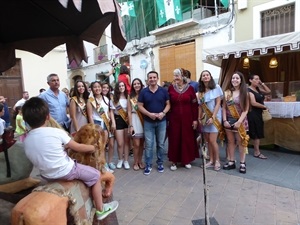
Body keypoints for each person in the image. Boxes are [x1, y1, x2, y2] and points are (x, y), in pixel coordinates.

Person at [21, 97, 118, 220]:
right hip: (66, 171)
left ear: (26, 120)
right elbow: (77, 147)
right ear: (47, 116)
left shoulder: (26, 139)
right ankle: (100, 209)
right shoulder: (56, 132)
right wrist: (92, 148)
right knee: (96, 176)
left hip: (46, 175)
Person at [138, 71, 171, 175]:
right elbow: (139, 106)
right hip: (148, 122)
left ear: (157, 78)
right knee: (149, 145)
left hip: (161, 121)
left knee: (161, 144)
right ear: (148, 79)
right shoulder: (144, 92)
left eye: (154, 77)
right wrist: (149, 114)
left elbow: (168, 105)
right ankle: (148, 164)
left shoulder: (163, 91)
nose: (152, 79)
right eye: (150, 77)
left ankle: (160, 163)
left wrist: (163, 113)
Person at [167, 68, 199, 171]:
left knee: (187, 138)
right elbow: (168, 103)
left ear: (182, 76)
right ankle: (173, 161)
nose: (175, 78)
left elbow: (194, 105)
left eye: (177, 75)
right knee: (174, 138)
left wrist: (195, 120)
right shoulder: (171, 88)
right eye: (174, 75)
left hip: (188, 118)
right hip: (174, 119)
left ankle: (186, 160)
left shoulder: (190, 89)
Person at [222, 71, 250, 173]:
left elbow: (246, 110)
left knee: (241, 142)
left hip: (240, 121)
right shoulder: (227, 93)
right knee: (230, 142)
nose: (235, 80)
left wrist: (239, 122)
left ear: (241, 80)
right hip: (228, 121)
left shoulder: (245, 93)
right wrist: (224, 120)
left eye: (237, 78)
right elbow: (224, 108)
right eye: (233, 78)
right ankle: (231, 161)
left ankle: (242, 162)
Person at [197, 70, 224, 171]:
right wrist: (199, 118)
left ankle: (217, 160)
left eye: (207, 75)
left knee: (213, 141)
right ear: (201, 78)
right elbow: (200, 106)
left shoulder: (216, 87)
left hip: (215, 117)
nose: (205, 77)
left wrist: (213, 117)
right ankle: (211, 160)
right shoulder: (200, 92)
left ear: (210, 76)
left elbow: (218, 103)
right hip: (205, 118)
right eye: (203, 75)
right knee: (208, 141)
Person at [87, 81, 113, 173]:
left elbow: (109, 112)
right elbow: (90, 115)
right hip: (96, 124)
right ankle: (97, 165)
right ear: (92, 89)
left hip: (105, 124)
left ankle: (104, 164)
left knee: (103, 146)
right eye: (95, 87)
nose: (97, 88)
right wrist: (93, 128)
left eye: (99, 87)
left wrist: (111, 121)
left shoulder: (106, 99)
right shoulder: (90, 100)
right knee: (97, 146)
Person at [247, 74, 271, 159]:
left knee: (257, 131)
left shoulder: (257, 89)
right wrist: (264, 106)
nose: (258, 81)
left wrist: (262, 83)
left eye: (258, 79)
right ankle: (257, 152)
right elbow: (253, 103)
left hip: (258, 113)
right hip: (253, 113)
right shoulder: (249, 90)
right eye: (256, 79)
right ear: (250, 80)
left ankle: (255, 151)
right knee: (256, 132)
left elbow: (268, 91)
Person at [110, 81, 130, 170]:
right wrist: (113, 123)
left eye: (123, 85)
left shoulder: (128, 97)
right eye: (120, 86)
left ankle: (126, 160)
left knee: (127, 142)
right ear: (117, 87)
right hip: (118, 120)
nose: (121, 87)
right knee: (120, 143)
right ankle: (120, 159)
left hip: (126, 120)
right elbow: (111, 112)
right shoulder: (114, 98)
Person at [128, 78, 145, 171]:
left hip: (143, 120)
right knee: (136, 144)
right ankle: (135, 162)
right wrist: (130, 125)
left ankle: (140, 161)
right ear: (132, 86)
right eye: (134, 84)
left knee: (142, 144)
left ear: (141, 84)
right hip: (134, 119)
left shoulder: (145, 94)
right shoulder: (130, 96)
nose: (136, 85)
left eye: (138, 83)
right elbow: (129, 111)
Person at [101, 82, 116, 171]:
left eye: (107, 88)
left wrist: (113, 123)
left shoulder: (109, 99)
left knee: (111, 144)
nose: (105, 89)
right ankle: (104, 163)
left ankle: (110, 161)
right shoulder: (95, 99)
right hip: (101, 124)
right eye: (103, 87)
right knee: (103, 145)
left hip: (109, 124)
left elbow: (111, 112)